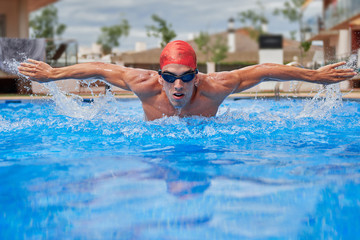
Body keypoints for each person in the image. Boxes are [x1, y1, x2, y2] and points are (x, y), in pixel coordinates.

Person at [18, 40, 357, 121]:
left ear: (197, 77)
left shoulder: (216, 87)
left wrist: (315, 77)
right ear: (159, 76)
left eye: (185, 78)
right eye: (169, 78)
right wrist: (53, 74)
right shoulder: (144, 83)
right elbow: (99, 69)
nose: (177, 86)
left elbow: (264, 69)